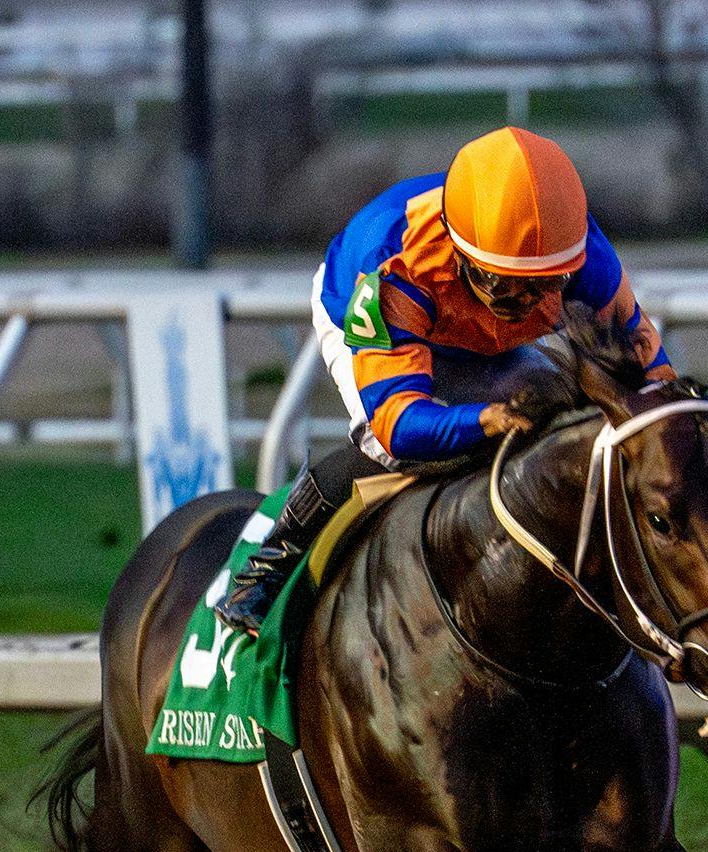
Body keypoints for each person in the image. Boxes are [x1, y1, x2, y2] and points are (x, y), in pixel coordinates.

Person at [215, 126, 674, 635]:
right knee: (389, 451)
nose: (532, 305)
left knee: (576, 424)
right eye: (507, 286)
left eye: (548, 286)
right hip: (383, 323)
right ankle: (265, 568)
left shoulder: (582, 254)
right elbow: (396, 421)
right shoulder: (393, 263)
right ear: (460, 254)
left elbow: (651, 373)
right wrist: (485, 418)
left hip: (478, 331)